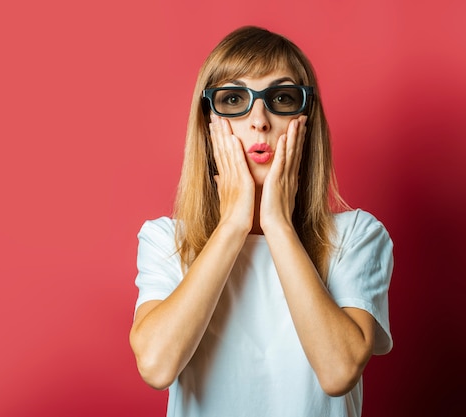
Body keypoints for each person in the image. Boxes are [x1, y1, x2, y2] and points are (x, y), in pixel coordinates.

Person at [129, 26, 393, 417]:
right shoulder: (165, 240)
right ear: (208, 125)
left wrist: (278, 226)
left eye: (282, 98)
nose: (259, 120)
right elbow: (155, 366)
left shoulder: (355, 236)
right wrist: (232, 225)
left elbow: (338, 372)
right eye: (233, 98)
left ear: (306, 120)